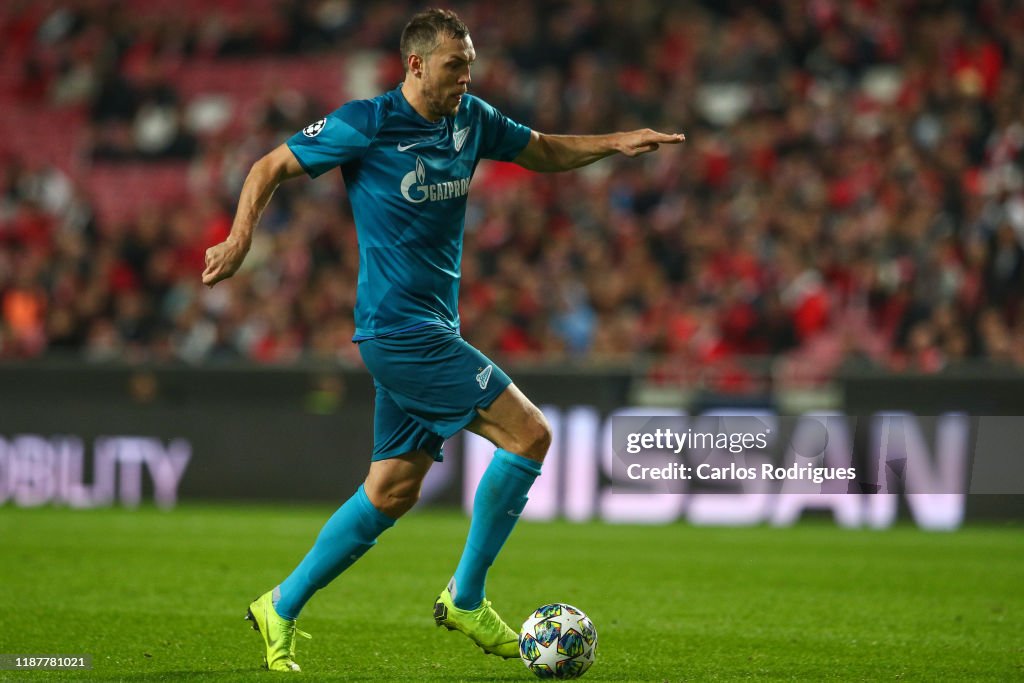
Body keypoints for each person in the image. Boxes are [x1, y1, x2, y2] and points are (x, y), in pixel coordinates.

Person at [202, 8, 684, 673]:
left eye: (471, 63)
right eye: (456, 64)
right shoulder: (367, 122)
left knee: (392, 490)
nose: (467, 75)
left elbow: (540, 149)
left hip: (430, 328)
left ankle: (279, 605)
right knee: (531, 434)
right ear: (417, 64)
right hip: (399, 331)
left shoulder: (473, 119)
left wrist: (616, 141)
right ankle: (467, 595)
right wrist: (240, 237)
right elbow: (269, 165)